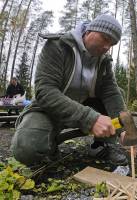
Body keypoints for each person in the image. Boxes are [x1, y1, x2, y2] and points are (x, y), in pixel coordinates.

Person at [11, 14, 128, 166]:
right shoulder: (58, 46)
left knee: (118, 93)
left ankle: (101, 144)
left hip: (83, 106)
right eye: (105, 38)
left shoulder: (104, 60)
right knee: (25, 149)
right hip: (48, 109)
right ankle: (46, 141)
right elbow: (44, 91)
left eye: (112, 44)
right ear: (90, 31)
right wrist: (90, 119)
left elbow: (111, 93)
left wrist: (126, 129)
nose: (107, 47)